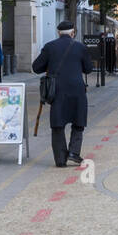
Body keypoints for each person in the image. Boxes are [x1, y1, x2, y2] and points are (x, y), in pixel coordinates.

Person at [31, 20, 91, 167]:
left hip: (57, 90)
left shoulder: (50, 47)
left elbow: (36, 67)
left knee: (58, 124)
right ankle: (73, 153)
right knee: (78, 121)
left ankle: (60, 159)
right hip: (77, 90)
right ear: (73, 33)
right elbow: (88, 69)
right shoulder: (81, 47)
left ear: (58, 32)